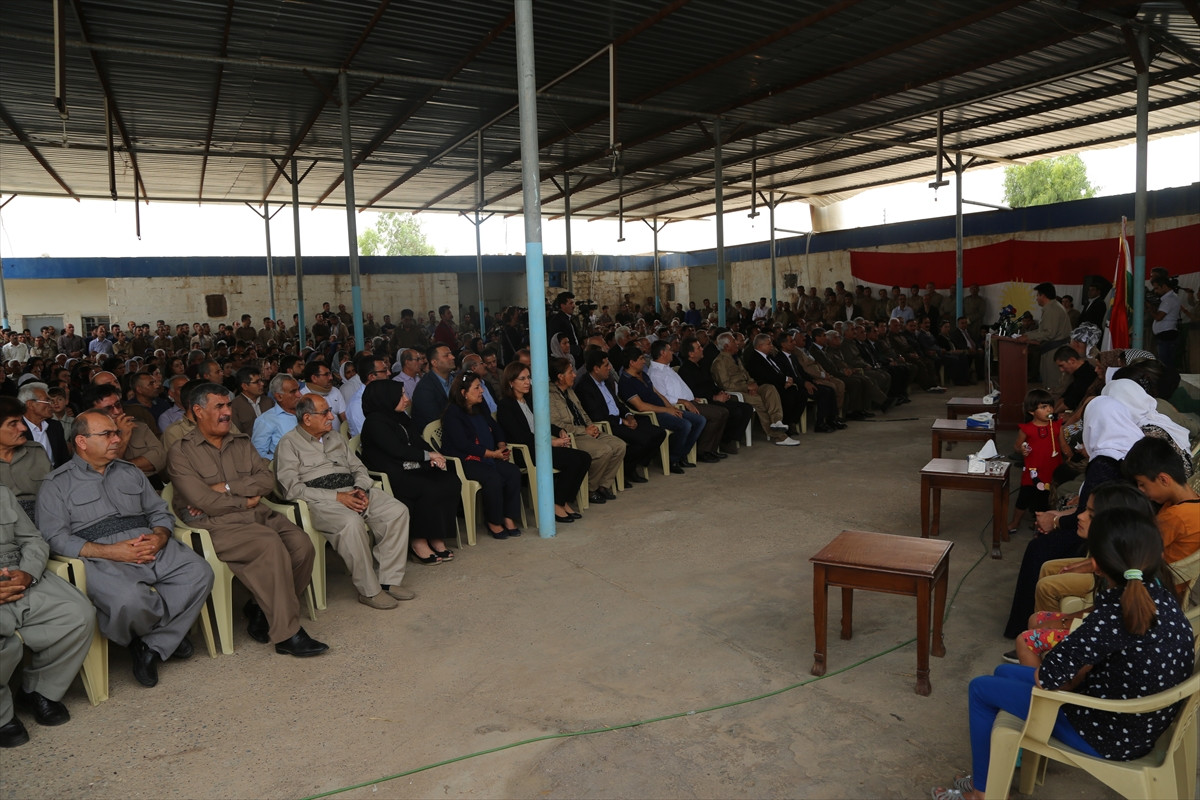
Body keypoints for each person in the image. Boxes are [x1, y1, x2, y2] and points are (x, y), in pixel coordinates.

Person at [935, 505, 1195, 800]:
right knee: (1003, 671)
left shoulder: (1112, 613)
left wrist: (1074, 674)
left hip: (1105, 733)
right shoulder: (1160, 596)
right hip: (1140, 723)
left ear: (1096, 564)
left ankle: (982, 793)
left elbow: (1048, 677)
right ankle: (993, 774)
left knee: (980, 690)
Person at [37, 410, 214, 687]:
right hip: (100, 555)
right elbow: (54, 538)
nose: (117, 439)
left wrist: (160, 536)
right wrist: (110, 552)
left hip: (148, 542)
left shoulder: (130, 471)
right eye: (107, 434)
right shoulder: (56, 484)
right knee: (128, 599)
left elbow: (158, 511)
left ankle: (151, 644)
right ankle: (164, 636)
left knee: (199, 572)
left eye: (116, 433)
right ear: (82, 442)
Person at [166, 382, 327, 657]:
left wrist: (227, 487)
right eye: (219, 406)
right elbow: (203, 501)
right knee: (269, 543)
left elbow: (266, 480)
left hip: (257, 514)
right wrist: (244, 499)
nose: (227, 412)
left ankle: (261, 607)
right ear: (198, 411)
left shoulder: (240, 441)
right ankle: (287, 634)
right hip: (215, 526)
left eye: (228, 405)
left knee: (302, 545)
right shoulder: (180, 452)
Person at [274, 394, 413, 610]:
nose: (332, 417)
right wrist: (337, 497)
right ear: (307, 418)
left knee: (397, 511)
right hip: (322, 501)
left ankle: (389, 580)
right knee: (351, 523)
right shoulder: (288, 444)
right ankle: (369, 591)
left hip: (353, 490)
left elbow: (359, 468)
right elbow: (292, 489)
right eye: (325, 413)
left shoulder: (336, 437)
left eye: (330, 411)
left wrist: (360, 488)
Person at [0, 485, 97, 748]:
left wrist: (28, 574)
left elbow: (33, 540)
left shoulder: (3, 494)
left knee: (77, 614)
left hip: (18, 573)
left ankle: (38, 691)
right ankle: (2, 716)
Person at [358, 380, 458, 564]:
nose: (407, 399)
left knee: (450, 480)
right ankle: (418, 541)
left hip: (411, 466)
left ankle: (436, 536)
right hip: (391, 472)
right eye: (401, 395)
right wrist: (427, 456)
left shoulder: (400, 417)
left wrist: (434, 455)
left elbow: (418, 442)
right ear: (387, 398)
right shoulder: (374, 422)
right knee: (428, 487)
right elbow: (397, 450)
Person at [496, 362, 589, 524]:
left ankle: (562, 501)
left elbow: (543, 422)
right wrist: (551, 443)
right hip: (525, 451)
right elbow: (520, 436)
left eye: (529, 378)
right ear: (511, 382)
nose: (527, 382)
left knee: (585, 458)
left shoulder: (529, 401)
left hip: (541, 447)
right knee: (573, 460)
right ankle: (557, 503)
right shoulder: (505, 405)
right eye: (522, 379)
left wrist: (559, 431)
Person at [439, 372, 523, 540]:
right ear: (464, 393)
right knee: (493, 477)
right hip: (464, 460)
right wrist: (493, 454)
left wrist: (501, 445)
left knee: (512, 471)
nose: (482, 391)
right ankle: (493, 521)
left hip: (486, 456)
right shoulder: (453, 413)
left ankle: (508, 517)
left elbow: (494, 426)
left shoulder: (479, 406)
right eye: (477, 388)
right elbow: (463, 445)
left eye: (481, 387)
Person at [550, 357, 627, 504]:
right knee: (603, 451)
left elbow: (583, 413)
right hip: (573, 436)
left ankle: (603, 486)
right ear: (560, 377)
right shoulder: (549, 396)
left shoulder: (570, 391)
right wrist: (584, 430)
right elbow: (556, 424)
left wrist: (591, 426)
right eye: (570, 372)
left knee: (619, 446)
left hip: (586, 431)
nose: (574, 375)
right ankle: (591, 489)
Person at [618, 344, 705, 474]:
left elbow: (657, 393)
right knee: (685, 425)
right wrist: (666, 410)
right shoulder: (625, 382)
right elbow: (641, 406)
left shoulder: (643, 375)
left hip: (663, 409)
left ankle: (681, 455)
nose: (644, 361)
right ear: (632, 362)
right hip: (650, 415)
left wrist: (670, 407)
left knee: (699, 420)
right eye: (641, 359)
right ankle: (672, 460)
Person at [647, 340, 729, 462]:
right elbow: (663, 397)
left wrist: (690, 397)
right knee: (716, 415)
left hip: (689, 401)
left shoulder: (666, 368)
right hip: (679, 406)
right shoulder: (656, 373)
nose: (672, 352)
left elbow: (678, 388)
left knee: (723, 412)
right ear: (663, 353)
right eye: (670, 350)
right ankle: (702, 451)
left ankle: (710, 449)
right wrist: (684, 401)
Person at [1007, 389, 1064, 537]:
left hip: (1051, 470)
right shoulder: (1027, 429)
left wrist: (1070, 457)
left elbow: (1064, 447)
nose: (1049, 410)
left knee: (1045, 499)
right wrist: (1022, 449)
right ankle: (1015, 522)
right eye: (1043, 407)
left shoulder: (1057, 426)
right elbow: (1017, 446)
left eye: (1050, 406)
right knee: (1024, 496)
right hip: (1033, 471)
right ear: (1031, 411)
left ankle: (1040, 525)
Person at [1017, 282, 1073, 390]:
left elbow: (1049, 333)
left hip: (1054, 350)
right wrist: (1027, 335)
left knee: (1052, 383)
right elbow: (1043, 330)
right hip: (1052, 349)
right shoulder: (1053, 307)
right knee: (1049, 381)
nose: (1036, 299)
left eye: (1037, 295)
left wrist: (1028, 337)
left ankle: (1053, 400)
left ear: (1043, 296)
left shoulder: (1052, 309)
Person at [17, 382, 70, 469]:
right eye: (47, 401)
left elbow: (64, 459)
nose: (51, 405)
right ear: (30, 404)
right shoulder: (16, 430)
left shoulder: (55, 426)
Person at [250, 374, 302, 459]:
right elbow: (258, 453)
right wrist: (283, 460)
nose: (299, 394)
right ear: (279, 396)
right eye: (293, 392)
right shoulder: (266, 420)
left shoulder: (307, 411)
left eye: (298, 390)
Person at [411, 343, 455, 431]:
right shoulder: (425, 388)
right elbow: (434, 420)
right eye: (447, 355)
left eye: (451, 354)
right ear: (434, 363)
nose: (453, 357)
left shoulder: (455, 379)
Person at [230, 366, 274, 436]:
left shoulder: (269, 401)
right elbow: (237, 435)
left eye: (261, 380)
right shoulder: (234, 406)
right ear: (244, 386)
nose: (262, 384)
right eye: (257, 382)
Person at [1150, 273, 1181, 368]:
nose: (1155, 291)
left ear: (1164, 286)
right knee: (1166, 363)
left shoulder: (1169, 299)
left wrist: (1149, 309)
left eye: (1156, 288)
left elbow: (1159, 317)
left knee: (1165, 364)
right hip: (1166, 335)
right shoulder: (1169, 298)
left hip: (1166, 336)